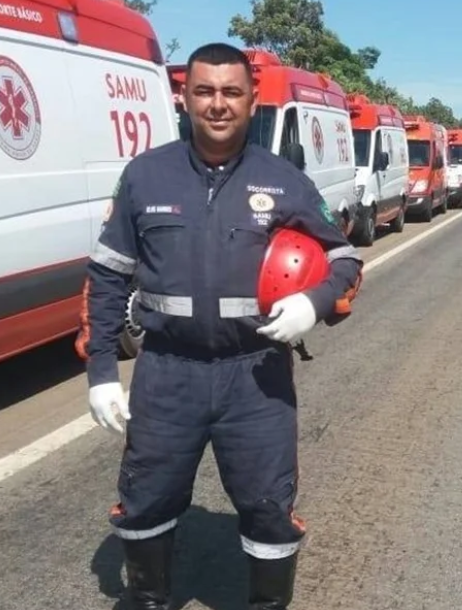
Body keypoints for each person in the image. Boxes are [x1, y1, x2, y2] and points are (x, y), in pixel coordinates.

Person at [75, 42, 363, 610]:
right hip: (166, 373)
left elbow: (345, 258)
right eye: (204, 91)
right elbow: (106, 278)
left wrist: (316, 302)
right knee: (146, 500)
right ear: (184, 98)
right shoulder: (144, 176)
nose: (218, 104)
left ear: (252, 100)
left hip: (254, 378)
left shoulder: (284, 180)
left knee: (266, 505)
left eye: (231, 92)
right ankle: (150, 599)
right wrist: (102, 371)